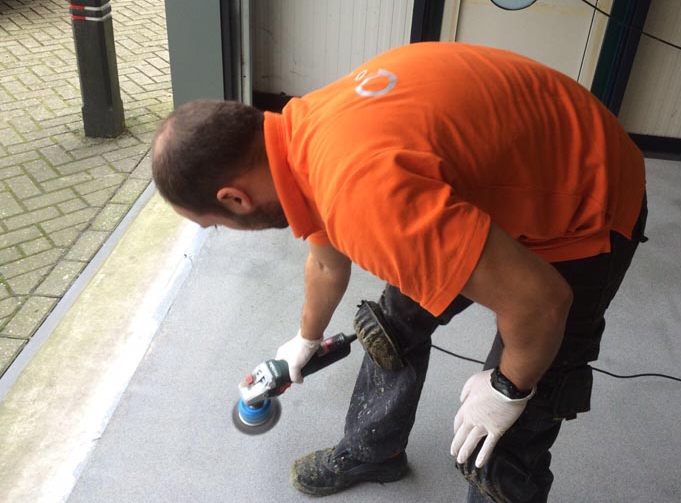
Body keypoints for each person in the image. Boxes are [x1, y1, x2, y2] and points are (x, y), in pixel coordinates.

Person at [151, 42, 647, 503]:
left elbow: (541, 302)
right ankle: (376, 451)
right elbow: (325, 260)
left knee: (505, 433)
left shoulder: (361, 193)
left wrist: (507, 389)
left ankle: (507, 449)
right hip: (517, 164)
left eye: (214, 224)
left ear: (235, 199)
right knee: (391, 325)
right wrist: (306, 338)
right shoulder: (302, 135)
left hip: (587, 195)